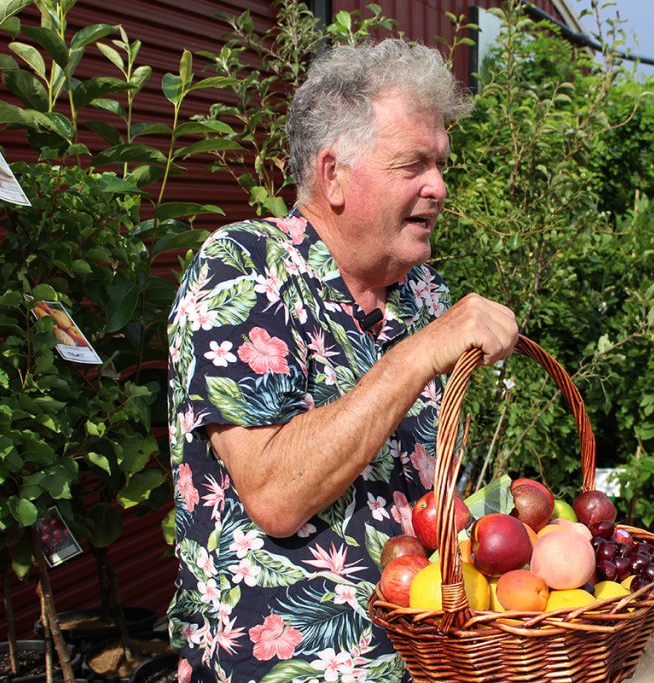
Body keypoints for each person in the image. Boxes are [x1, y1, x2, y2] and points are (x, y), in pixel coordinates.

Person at [165, 39, 518, 683]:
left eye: (440, 164)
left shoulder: (423, 294)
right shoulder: (245, 268)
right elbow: (274, 494)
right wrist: (419, 355)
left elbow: (430, 502)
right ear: (332, 174)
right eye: (412, 164)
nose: (438, 187)